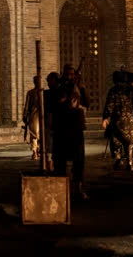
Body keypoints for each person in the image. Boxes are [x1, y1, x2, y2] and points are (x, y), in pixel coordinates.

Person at [51, 63, 89, 200]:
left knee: (78, 160)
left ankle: (77, 188)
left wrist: (81, 87)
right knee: (60, 160)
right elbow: (55, 103)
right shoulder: (59, 87)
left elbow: (86, 102)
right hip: (62, 128)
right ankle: (61, 189)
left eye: (72, 74)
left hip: (76, 128)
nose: (70, 77)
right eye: (67, 74)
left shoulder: (78, 87)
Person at [102, 70, 133, 171]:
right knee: (129, 141)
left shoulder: (113, 90)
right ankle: (130, 162)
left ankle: (119, 158)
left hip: (117, 121)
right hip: (130, 121)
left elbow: (109, 106)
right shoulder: (130, 90)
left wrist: (106, 118)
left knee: (116, 139)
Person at [22, 74, 51, 164]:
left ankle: (39, 150)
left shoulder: (44, 92)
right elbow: (27, 105)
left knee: (42, 134)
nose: (38, 83)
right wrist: (25, 115)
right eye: (36, 81)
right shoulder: (30, 93)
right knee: (34, 134)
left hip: (43, 115)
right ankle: (34, 151)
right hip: (34, 116)